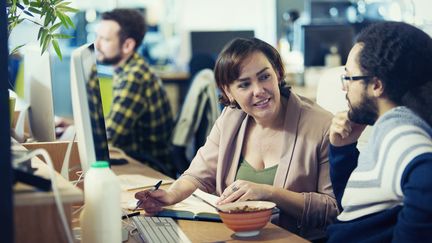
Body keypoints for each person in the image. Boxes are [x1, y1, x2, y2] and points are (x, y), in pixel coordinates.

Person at [136, 37, 338, 240]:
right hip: (235, 236)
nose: (258, 91)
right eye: (244, 85)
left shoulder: (321, 126)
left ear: (277, 73)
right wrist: (171, 196)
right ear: (228, 92)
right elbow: (197, 175)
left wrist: (269, 193)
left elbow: (332, 209)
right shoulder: (231, 118)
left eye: (264, 77)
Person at [326, 21, 432, 242]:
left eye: (348, 77)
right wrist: (342, 150)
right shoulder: (390, 127)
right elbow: (354, 207)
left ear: (376, 85)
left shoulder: (401, 134)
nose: (343, 87)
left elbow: (426, 177)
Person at [94, 9, 175, 176]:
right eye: (98, 37)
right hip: (135, 161)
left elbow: (109, 139)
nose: (97, 44)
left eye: (105, 39)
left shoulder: (133, 77)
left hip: (149, 169)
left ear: (128, 45)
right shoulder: (128, 69)